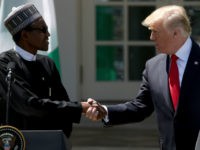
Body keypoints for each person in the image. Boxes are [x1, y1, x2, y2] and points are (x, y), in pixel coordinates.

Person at [85, 5, 200, 150]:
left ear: (175, 34)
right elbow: (141, 107)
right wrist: (106, 111)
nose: (151, 37)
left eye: (155, 32)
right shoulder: (153, 66)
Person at [0, 3, 105, 138]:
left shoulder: (47, 63)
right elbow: (28, 104)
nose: (48, 34)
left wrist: (61, 137)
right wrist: (81, 107)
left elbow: (63, 105)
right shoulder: (5, 64)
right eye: (43, 29)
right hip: (17, 142)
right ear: (25, 35)